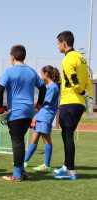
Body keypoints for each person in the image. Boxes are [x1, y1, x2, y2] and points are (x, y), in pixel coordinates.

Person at [0, 45, 46, 181]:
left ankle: (17, 174)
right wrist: (39, 105)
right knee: (20, 140)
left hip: (17, 111)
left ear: (12, 57)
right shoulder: (32, 72)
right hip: (29, 111)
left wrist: (0, 109)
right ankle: (22, 171)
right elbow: (43, 89)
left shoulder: (8, 71)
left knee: (17, 141)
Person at [53, 31, 94, 180]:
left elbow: (74, 82)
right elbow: (89, 82)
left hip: (69, 101)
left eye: (58, 43)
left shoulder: (67, 59)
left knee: (68, 135)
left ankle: (71, 171)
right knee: (66, 134)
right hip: (78, 104)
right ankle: (66, 166)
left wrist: (82, 93)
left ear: (63, 43)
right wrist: (89, 100)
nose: (57, 46)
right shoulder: (81, 58)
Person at [24, 65, 60, 171]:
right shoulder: (48, 86)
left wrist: (33, 102)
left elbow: (43, 102)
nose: (40, 75)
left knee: (46, 140)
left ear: (46, 74)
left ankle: (46, 165)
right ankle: (24, 161)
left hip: (46, 116)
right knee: (33, 140)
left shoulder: (53, 87)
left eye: (41, 73)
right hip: (41, 116)